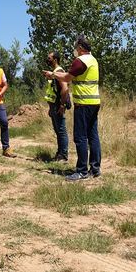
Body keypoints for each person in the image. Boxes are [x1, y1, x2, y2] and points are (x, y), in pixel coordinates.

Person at [52, 35, 101, 181]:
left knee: (80, 137)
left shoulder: (80, 61)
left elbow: (67, 78)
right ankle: (95, 169)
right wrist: (54, 74)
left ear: (80, 48)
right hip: (93, 103)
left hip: (83, 104)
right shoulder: (93, 60)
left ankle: (81, 171)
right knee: (93, 137)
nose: (74, 50)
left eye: (75, 47)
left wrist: (53, 75)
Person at [42, 50, 70, 161]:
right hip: (53, 106)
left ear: (55, 59)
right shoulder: (53, 72)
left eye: (49, 58)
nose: (47, 60)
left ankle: (63, 155)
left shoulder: (59, 71)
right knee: (58, 130)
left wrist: (62, 105)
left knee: (61, 130)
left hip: (59, 105)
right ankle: (59, 153)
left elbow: (65, 88)